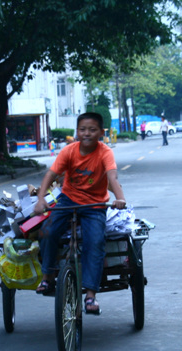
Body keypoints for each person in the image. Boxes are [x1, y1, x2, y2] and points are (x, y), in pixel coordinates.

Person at [33, 112, 127, 315]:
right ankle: (47, 277)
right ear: (77, 132)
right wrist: (41, 199)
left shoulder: (105, 152)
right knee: (47, 231)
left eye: (92, 130)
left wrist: (120, 198)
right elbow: (51, 175)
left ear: (101, 133)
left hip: (95, 204)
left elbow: (112, 177)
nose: (87, 133)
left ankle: (91, 294)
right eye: (83, 129)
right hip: (68, 200)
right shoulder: (69, 151)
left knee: (95, 242)